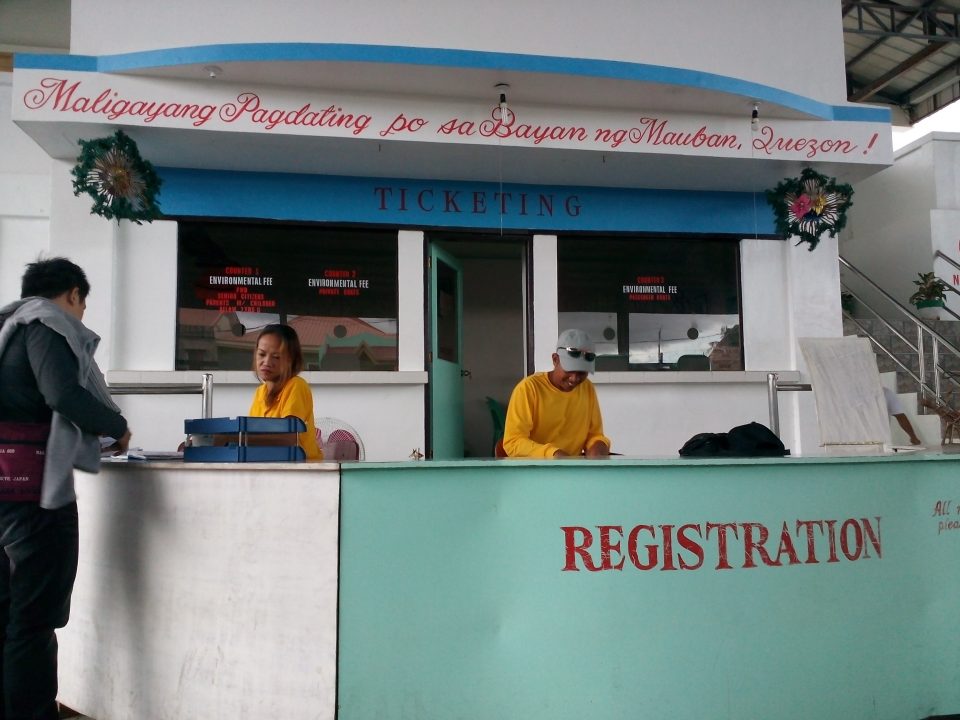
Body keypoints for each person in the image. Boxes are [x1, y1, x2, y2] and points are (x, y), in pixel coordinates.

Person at [0, 257, 131, 719]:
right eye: (83, 305)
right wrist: (116, 427)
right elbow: (63, 393)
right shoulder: (47, 322)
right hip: (33, 495)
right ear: (73, 294)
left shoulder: (7, 328)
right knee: (34, 620)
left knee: (9, 616)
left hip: (4, 495)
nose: (81, 318)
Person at [503, 328, 611, 458]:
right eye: (569, 370)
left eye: (582, 373)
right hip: (534, 472)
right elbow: (513, 443)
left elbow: (594, 435)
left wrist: (598, 447)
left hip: (572, 471)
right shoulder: (529, 389)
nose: (574, 378)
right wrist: (553, 454)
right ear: (555, 360)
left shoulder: (587, 388)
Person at [248, 324, 323, 460]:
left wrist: (234, 438)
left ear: (291, 360)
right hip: (271, 467)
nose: (267, 362)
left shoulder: (296, 385)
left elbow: (288, 438)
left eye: (276, 357)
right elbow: (253, 435)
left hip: (303, 471)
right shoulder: (259, 393)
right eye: (261, 354)